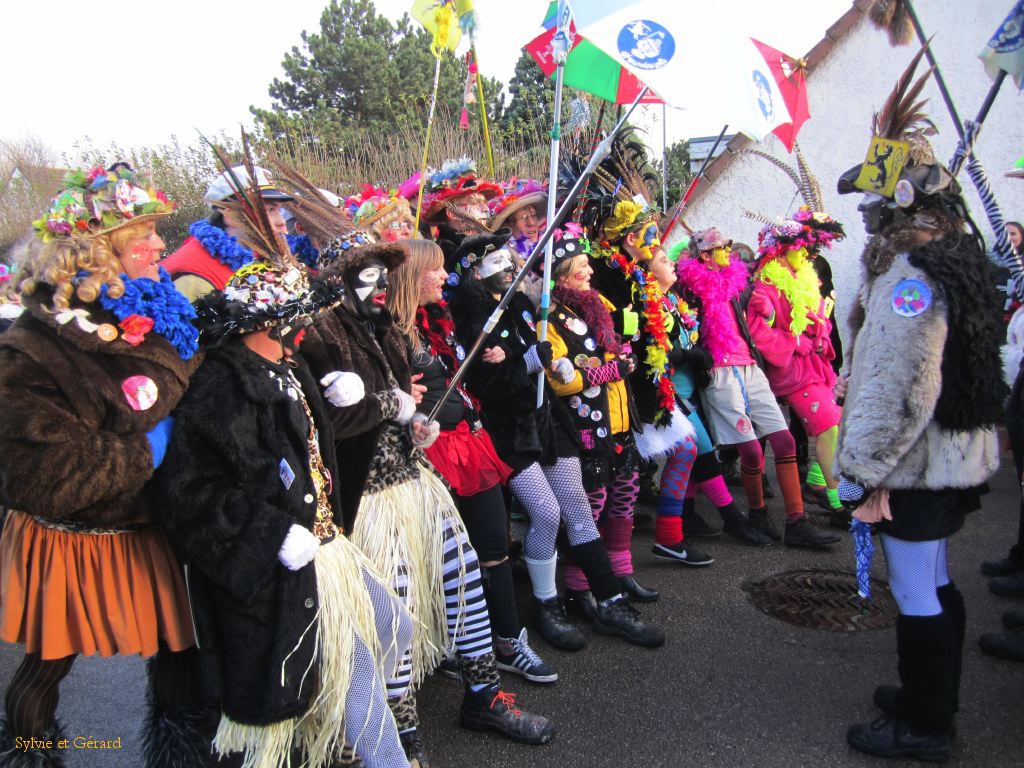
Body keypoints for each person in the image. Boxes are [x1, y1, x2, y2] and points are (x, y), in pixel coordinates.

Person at [300, 227, 554, 767]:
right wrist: (385, 405)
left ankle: (486, 697)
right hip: (367, 499)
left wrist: (418, 423)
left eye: (383, 278)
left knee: (464, 588)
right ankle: (402, 735)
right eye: (368, 278)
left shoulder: (391, 331)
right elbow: (324, 423)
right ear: (341, 283)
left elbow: (421, 397)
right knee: (398, 619)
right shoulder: (317, 339)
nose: (381, 288)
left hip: (416, 484)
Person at [160, 259, 414, 768]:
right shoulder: (221, 390)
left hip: (329, 547)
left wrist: (333, 396)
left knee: (395, 627)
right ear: (269, 324)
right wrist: (272, 534)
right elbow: (188, 496)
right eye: (299, 317)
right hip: (280, 568)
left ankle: (332, 732)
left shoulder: (291, 366)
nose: (309, 326)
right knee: (354, 673)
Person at [0, 164, 209, 767]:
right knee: (47, 666)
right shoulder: (32, 345)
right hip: (71, 537)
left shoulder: (159, 312)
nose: (160, 245)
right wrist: (149, 449)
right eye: (140, 235)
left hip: (156, 523)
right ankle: (29, 753)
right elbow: (38, 472)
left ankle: (180, 756)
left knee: (179, 650)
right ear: (92, 249)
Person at [834, 46, 1005, 761]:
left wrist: (861, 469)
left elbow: (902, 386)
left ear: (904, 205)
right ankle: (926, 698)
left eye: (876, 205)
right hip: (945, 459)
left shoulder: (913, 272)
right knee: (932, 579)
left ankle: (926, 724)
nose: (868, 218)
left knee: (917, 590)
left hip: (916, 464)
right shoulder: (946, 257)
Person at [448, 228, 664, 650]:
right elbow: (482, 382)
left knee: (579, 509)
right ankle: (546, 604)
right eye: (494, 261)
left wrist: (548, 364)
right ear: (474, 273)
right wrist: (524, 362)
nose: (508, 265)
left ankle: (610, 600)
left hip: (548, 421)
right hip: (508, 432)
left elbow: (547, 356)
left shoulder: (523, 306)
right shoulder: (472, 319)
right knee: (546, 514)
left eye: (507, 258)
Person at [386, 237, 557, 683]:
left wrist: (507, 358)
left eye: (445, 268)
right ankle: (452, 647)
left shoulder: (439, 322)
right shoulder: (387, 332)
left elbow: (471, 376)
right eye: (435, 269)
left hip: (470, 443)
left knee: (493, 548)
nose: (446, 277)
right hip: (432, 455)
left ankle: (506, 641)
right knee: (448, 558)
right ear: (409, 276)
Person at [675, 228, 840, 549]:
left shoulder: (740, 285)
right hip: (719, 372)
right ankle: (757, 513)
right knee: (750, 449)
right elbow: (683, 326)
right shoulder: (689, 287)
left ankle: (797, 521)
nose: (729, 249)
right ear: (705, 255)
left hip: (751, 366)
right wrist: (700, 356)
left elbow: (770, 308)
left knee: (785, 440)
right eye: (722, 246)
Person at [747, 218, 847, 529]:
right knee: (829, 426)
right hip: (789, 369)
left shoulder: (804, 275)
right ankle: (837, 502)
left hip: (812, 366)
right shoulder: (765, 286)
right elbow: (758, 332)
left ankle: (820, 481)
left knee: (834, 425)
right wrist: (797, 342)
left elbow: (820, 317)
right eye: (803, 249)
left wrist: (819, 336)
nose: (808, 255)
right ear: (783, 250)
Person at [160, 165, 292, 300]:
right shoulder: (195, 278)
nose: (282, 221)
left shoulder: (259, 258)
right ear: (231, 217)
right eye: (269, 210)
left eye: (278, 210)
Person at [488, 178, 547, 263]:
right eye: (523, 218)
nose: (532, 223)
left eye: (533, 215)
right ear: (509, 224)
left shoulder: (548, 247)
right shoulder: (502, 258)